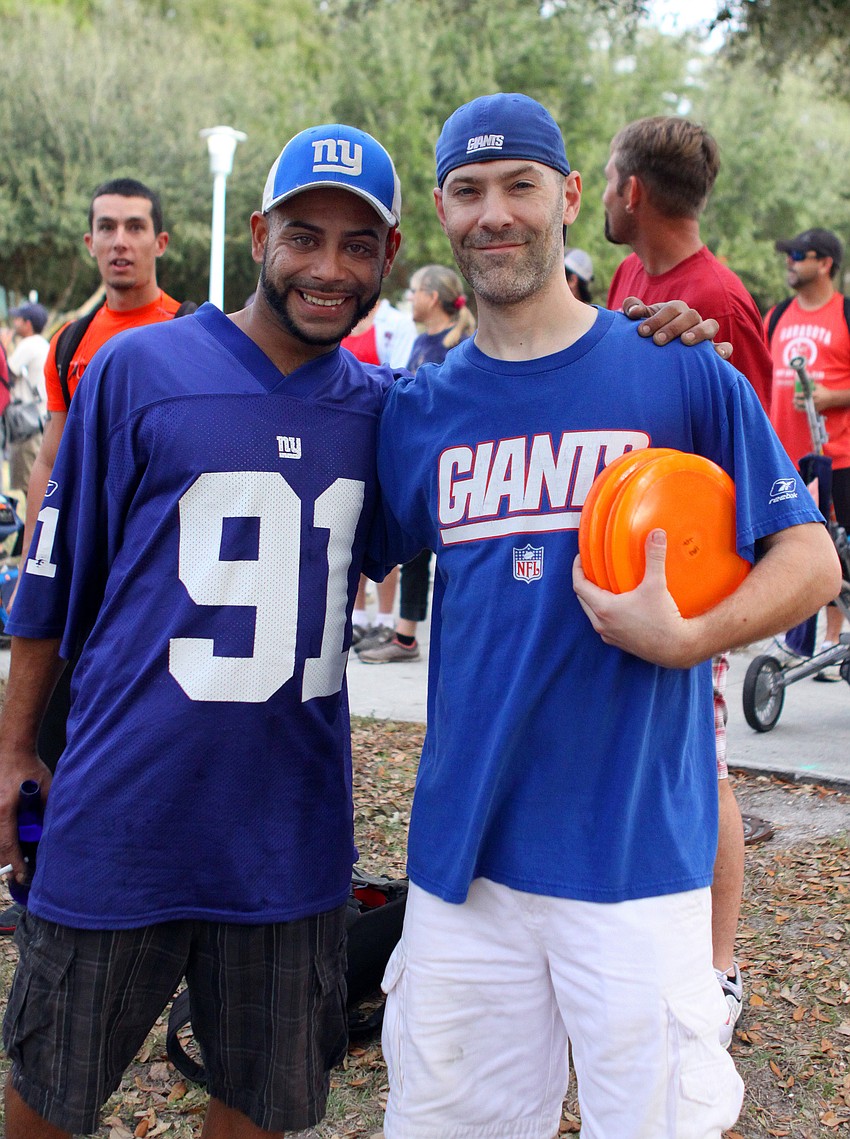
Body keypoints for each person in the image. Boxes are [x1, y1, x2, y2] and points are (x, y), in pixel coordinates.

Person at [372, 93, 839, 1139]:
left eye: (520, 185)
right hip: (464, 867)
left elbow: (810, 561)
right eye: (467, 190)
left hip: (636, 858)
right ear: (443, 211)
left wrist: (690, 637)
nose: (495, 212)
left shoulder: (676, 368)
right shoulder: (420, 408)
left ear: (573, 196)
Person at [0, 123, 405, 1139]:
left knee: (260, 1107)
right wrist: (12, 749)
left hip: (288, 832)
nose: (327, 268)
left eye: (357, 245)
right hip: (119, 810)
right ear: (260, 234)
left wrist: (645, 338)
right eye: (304, 237)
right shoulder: (137, 369)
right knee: (47, 1094)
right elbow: (51, 578)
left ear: (388, 258)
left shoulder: (386, 411)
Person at [603, 115, 776, 1047]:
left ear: (631, 191)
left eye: (604, 179)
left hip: (692, 582)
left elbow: (753, 455)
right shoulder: (632, 280)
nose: (599, 196)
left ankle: (719, 967)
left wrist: (714, 598)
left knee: (706, 771)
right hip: (627, 565)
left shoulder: (719, 298)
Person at [0, 179, 186, 937]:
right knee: (54, 728)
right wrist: (38, 544)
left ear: (160, 242)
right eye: (106, 227)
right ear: (89, 243)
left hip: (155, 577)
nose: (120, 241)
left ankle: (152, 882)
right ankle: (43, 884)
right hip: (81, 575)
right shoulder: (71, 342)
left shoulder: (190, 328)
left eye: (135, 227)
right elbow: (51, 456)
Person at [359, 264, 475, 663]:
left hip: (455, 463)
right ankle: (405, 635)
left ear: (432, 297)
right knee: (415, 554)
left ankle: (430, 636)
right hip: (426, 460)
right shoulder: (423, 340)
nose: (409, 298)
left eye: (414, 291)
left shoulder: (460, 343)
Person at [767, 227, 850, 679]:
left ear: (826, 263)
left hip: (838, 457)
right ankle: (796, 638)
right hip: (785, 458)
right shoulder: (777, 315)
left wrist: (832, 396)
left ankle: (834, 640)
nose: (790, 261)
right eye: (790, 254)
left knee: (838, 549)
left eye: (799, 255)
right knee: (793, 549)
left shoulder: (845, 314)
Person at [344, 296, 417, 648]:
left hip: (382, 436)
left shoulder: (396, 323)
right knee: (350, 531)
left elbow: (400, 381)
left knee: (383, 532)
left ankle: (386, 619)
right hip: (346, 440)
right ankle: (357, 617)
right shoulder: (341, 316)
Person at [1, 303, 50, 496]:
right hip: (40, 419)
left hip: (27, 423)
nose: (14, 324)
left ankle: (32, 517)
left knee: (29, 484)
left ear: (28, 324)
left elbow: (6, 373)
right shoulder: (42, 343)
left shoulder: (28, 345)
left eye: (18, 320)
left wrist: (3, 346)